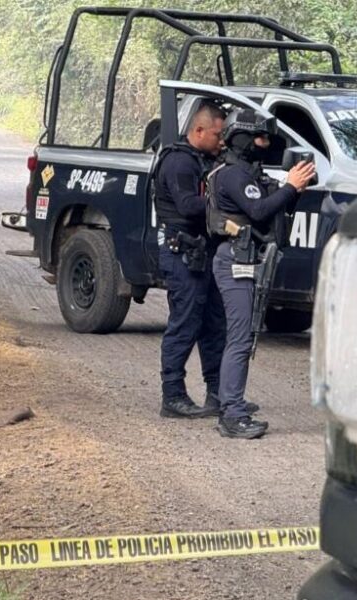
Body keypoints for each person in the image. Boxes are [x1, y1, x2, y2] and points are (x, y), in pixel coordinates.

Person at [207, 109, 315, 439]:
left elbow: (271, 214)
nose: (264, 143)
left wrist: (291, 190)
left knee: (244, 337)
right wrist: (290, 188)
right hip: (235, 260)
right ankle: (232, 414)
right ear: (241, 137)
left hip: (248, 259)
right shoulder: (233, 175)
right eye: (259, 136)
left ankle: (231, 402)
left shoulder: (248, 173)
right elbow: (258, 210)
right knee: (240, 338)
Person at [153, 102, 233, 419]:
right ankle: (172, 396)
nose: (221, 140)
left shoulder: (206, 159)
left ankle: (217, 393)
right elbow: (187, 205)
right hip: (182, 252)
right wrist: (226, 201)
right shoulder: (178, 162)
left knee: (214, 325)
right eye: (217, 134)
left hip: (204, 252)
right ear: (198, 131)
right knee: (184, 324)